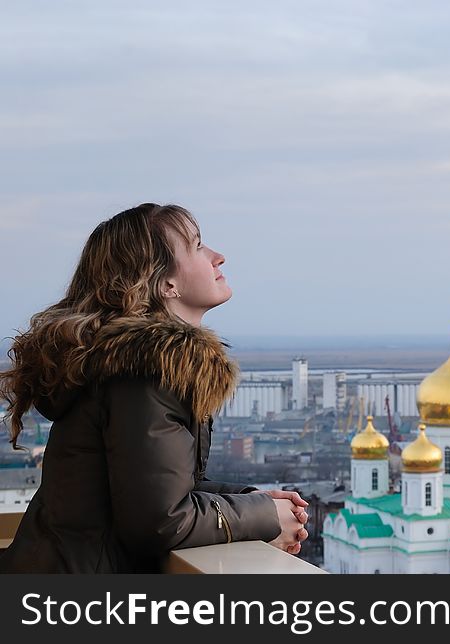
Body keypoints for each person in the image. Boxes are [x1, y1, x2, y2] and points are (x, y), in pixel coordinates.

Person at [0, 203, 309, 572]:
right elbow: (159, 522)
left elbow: (149, 487)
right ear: (166, 283)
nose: (218, 257)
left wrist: (251, 499)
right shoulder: (145, 374)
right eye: (196, 246)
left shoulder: (124, 366)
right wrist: (267, 515)